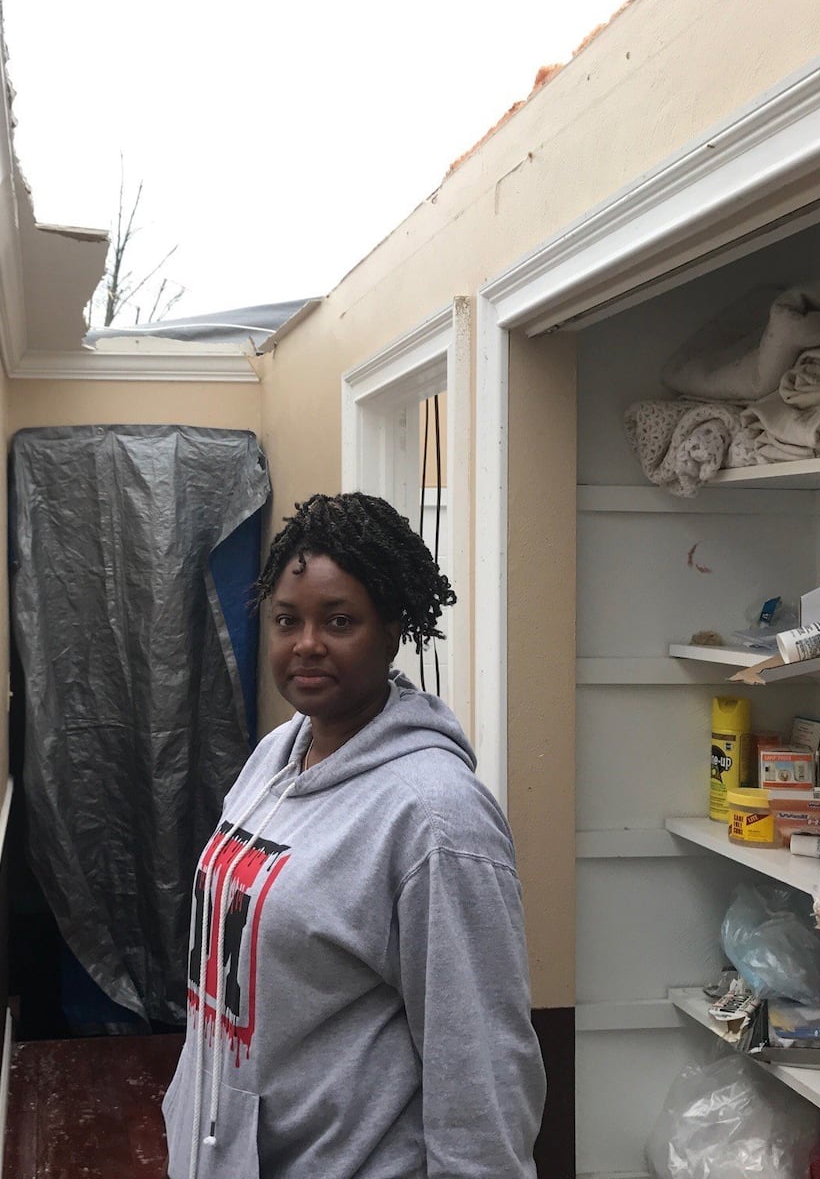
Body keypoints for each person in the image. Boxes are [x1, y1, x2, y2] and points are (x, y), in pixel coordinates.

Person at [162, 492, 545, 1179]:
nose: (307, 644)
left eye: (339, 621)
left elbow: (482, 1068)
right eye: (288, 621)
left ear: (394, 629)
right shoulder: (276, 754)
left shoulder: (434, 818)